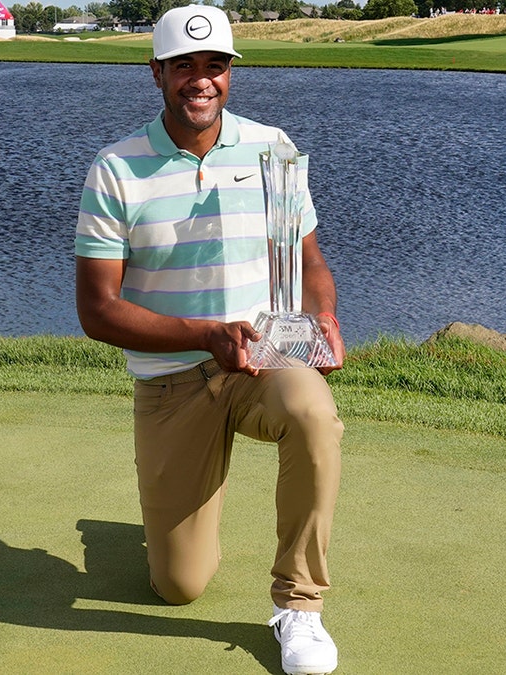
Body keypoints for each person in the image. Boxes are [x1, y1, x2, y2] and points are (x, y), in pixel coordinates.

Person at [73, 5, 345, 674]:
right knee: (179, 585)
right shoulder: (116, 168)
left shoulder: (271, 147)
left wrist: (327, 315)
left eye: (215, 66)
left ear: (230, 72)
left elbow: (308, 262)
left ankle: (300, 607)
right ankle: (154, 527)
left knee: (314, 412)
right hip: (171, 380)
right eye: (185, 67)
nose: (202, 80)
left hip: (261, 363)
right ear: (156, 72)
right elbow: (97, 310)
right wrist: (203, 334)